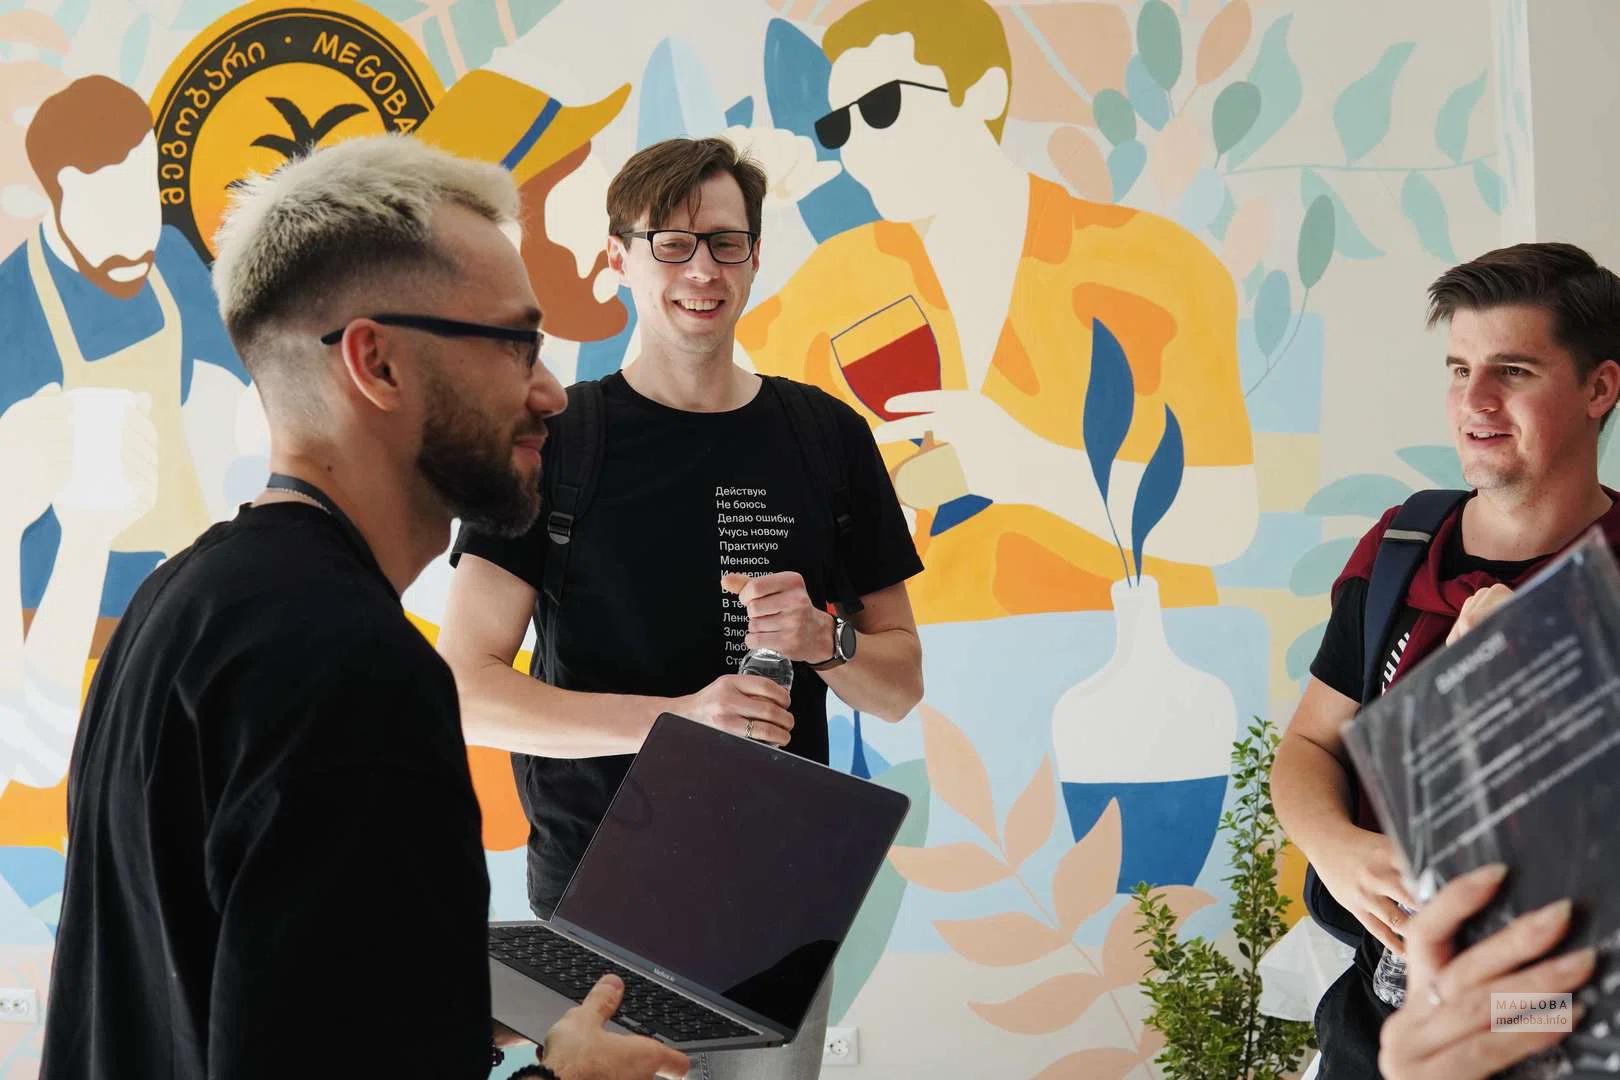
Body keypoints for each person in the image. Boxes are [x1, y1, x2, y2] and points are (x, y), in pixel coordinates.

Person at [39, 133, 687, 1080]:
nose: (551, 392)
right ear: (376, 364)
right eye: (518, 345)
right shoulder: (357, 671)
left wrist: (426, 1001)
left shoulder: (175, 604)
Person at [439, 135, 926, 1080]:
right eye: (671, 243)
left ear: (755, 257)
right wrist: (679, 722)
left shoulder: (826, 437)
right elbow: (465, 689)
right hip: (595, 905)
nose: (702, 270)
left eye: (726, 243)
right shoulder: (554, 441)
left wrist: (826, 639)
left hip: (780, 909)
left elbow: (900, 685)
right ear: (618, 258)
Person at [737, 0, 1257, 627]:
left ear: (984, 93)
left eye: (882, 107)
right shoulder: (842, 277)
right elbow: (686, 389)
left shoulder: (1155, 262)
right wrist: (729, 210)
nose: (857, 151)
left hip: (1137, 644)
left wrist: (1029, 467)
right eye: (840, 126)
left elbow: (1228, 520)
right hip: (921, 660)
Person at [1271, 241, 1620, 1077]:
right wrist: (1340, 852)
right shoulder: (1402, 545)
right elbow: (1309, 745)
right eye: (1459, 370)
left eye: (1513, 371)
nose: (1475, 401)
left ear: (1599, 388)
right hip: (1375, 1026)